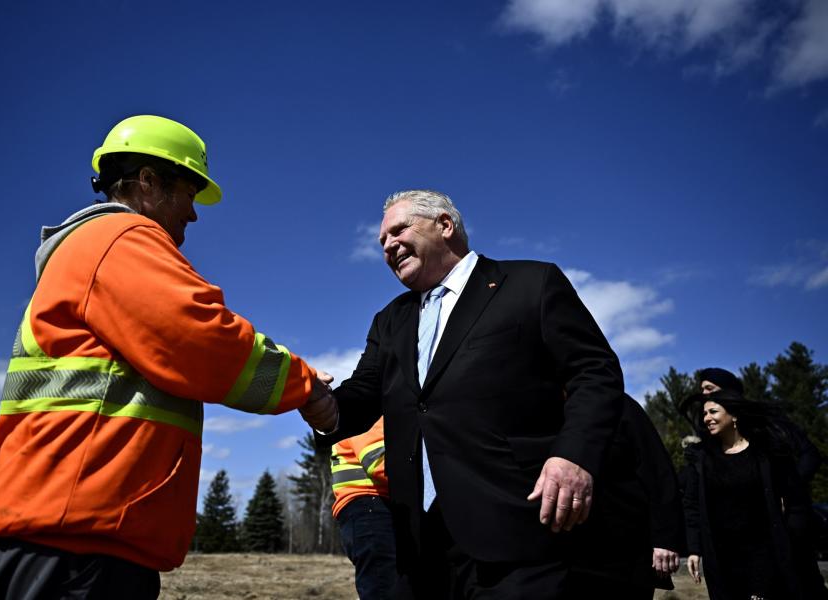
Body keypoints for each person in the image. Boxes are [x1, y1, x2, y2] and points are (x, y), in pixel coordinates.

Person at [0, 115, 337, 599]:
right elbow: (202, 343)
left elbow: (56, 398)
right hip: (73, 556)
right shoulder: (121, 240)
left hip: (51, 541)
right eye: (189, 195)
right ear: (149, 183)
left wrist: (1, 473)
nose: (193, 215)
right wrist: (304, 388)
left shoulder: (85, 254)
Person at [316, 190, 625, 598]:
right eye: (381, 242)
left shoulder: (531, 284)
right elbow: (363, 394)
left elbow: (595, 371)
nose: (388, 246)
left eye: (398, 230)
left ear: (444, 225)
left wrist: (574, 455)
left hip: (516, 526)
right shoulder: (390, 320)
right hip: (419, 544)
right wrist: (320, 402)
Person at [682, 389, 825, 599]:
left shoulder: (768, 452)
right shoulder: (702, 458)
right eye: (704, 414)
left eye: (713, 412)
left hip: (764, 554)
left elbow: (795, 500)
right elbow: (692, 504)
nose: (707, 418)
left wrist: (791, 539)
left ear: (734, 415)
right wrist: (694, 549)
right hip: (723, 557)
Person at [569, 394, 686, 599]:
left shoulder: (621, 406)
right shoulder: (547, 407)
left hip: (625, 553)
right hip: (572, 553)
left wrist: (665, 539)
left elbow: (659, 474)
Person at [330, 417, 397, 599]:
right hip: (369, 507)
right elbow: (378, 462)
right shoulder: (368, 414)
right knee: (385, 587)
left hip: (367, 508)